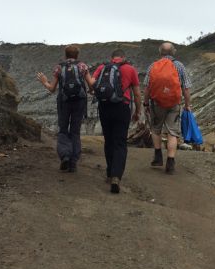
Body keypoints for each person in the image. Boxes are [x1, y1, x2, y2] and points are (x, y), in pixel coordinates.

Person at [36, 44, 95, 172]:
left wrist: (44, 81)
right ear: (77, 55)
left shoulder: (59, 68)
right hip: (79, 101)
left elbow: (52, 89)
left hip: (64, 101)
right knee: (75, 131)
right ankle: (73, 162)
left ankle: (65, 156)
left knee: (63, 129)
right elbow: (91, 84)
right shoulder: (82, 66)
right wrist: (90, 90)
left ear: (65, 55)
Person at [91, 49, 142, 194]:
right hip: (122, 107)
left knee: (108, 140)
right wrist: (138, 111)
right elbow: (137, 94)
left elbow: (92, 84)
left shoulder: (102, 67)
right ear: (123, 57)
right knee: (120, 142)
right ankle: (116, 176)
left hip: (104, 107)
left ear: (112, 58)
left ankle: (109, 172)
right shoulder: (130, 69)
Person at [143, 42, 192, 174]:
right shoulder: (179, 66)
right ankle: (170, 162)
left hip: (157, 103)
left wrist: (145, 103)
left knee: (156, 129)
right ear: (173, 52)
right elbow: (186, 88)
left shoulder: (153, 66)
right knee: (172, 133)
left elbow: (147, 88)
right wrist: (187, 105)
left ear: (160, 52)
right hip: (174, 103)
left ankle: (158, 156)